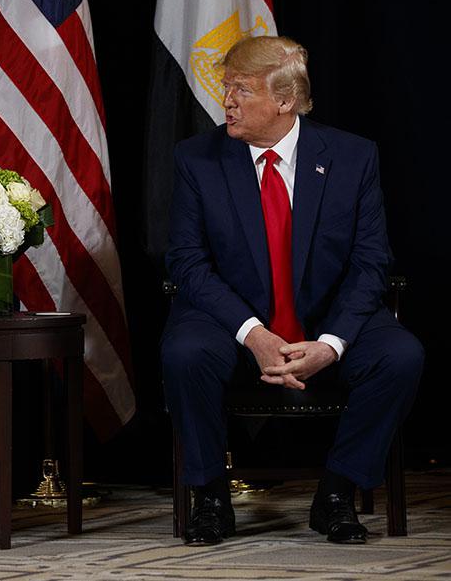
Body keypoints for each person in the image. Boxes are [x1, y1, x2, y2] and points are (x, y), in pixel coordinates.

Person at [162, 36, 423, 546]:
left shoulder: (352, 156)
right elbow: (187, 262)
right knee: (184, 351)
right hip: (231, 323)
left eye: (240, 90)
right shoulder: (198, 158)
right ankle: (211, 496)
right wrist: (253, 333)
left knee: (401, 356)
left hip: (326, 318)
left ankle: (336, 494)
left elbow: (372, 263)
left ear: (284, 101)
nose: (227, 102)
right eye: (227, 88)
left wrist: (331, 344)